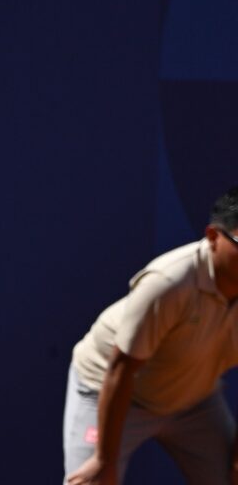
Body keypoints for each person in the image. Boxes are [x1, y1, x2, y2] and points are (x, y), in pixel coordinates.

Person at [64, 186, 238, 485]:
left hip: (194, 401)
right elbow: (121, 369)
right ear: (213, 238)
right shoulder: (170, 282)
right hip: (111, 390)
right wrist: (104, 460)